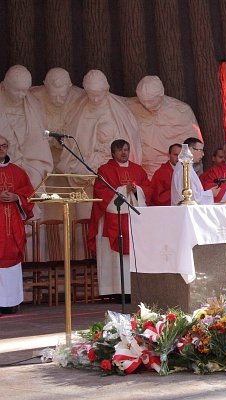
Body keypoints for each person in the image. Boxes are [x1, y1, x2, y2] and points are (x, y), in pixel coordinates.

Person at [87, 140, 151, 301]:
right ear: (112, 153)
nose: (123, 153)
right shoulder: (105, 171)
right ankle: (114, 290)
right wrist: (123, 190)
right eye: (119, 150)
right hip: (112, 220)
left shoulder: (138, 170)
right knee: (114, 258)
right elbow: (101, 194)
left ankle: (133, 289)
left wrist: (137, 190)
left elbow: (149, 190)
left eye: (126, 150)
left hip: (133, 221)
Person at [57, 70, 142, 186]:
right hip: (86, 161)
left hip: (108, 160)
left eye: (99, 95)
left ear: (106, 90)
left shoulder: (116, 112)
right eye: (91, 95)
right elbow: (73, 136)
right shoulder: (80, 109)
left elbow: (125, 140)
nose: (95, 99)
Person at [126, 76, 201, 179]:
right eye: (144, 101)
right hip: (144, 171)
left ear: (161, 95)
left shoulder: (181, 111)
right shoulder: (131, 107)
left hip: (175, 171)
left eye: (151, 101)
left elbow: (195, 145)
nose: (147, 105)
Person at [0, 65, 53, 197]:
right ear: (6, 85)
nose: (21, 95)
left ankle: (34, 217)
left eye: (24, 91)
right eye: (17, 90)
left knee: (34, 182)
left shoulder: (33, 105)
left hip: (28, 159)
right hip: (3, 161)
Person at [0, 135, 35, 315]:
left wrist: (17, 197)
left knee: (11, 261)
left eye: (4, 146)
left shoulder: (18, 172)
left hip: (11, 225)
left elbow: (29, 194)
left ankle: (10, 302)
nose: (1, 149)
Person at [30, 67, 85, 167]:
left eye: (62, 96)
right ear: (46, 88)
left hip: (69, 154)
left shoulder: (80, 98)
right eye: (53, 96)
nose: (58, 100)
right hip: (42, 154)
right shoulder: (35, 97)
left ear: (69, 88)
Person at [171, 137, 215, 205]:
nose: (202, 154)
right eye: (200, 150)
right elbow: (193, 198)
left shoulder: (184, 166)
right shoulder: (184, 168)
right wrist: (211, 193)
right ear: (191, 150)